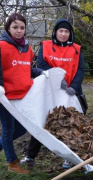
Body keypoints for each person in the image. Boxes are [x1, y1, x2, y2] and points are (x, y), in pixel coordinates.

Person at [20, 19, 85, 169]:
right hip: (50, 92)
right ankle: (30, 157)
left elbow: (80, 70)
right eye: (60, 31)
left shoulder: (77, 49)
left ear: (70, 34)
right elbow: (42, 66)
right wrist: (58, 80)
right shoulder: (46, 46)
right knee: (43, 122)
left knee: (71, 124)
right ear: (55, 32)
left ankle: (69, 157)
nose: (63, 34)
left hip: (70, 93)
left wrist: (74, 87)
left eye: (66, 31)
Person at [0, 13, 44, 174]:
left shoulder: (27, 48)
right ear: (8, 28)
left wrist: (42, 72)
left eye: (22, 28)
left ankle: (4, 148)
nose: (19, 31)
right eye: (15, 27)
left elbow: (26, 69)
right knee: (8, 129)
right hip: (4, 96)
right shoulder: (2, 46)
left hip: (21, 97)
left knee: (21, 129)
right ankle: (12, 163)